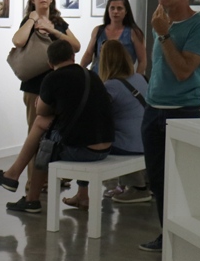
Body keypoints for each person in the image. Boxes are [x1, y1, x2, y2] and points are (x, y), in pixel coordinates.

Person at [0, 39, 114, 212]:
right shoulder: (91, 75)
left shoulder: (53, 78)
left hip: (83, 151)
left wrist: (41, 102)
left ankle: (27, 193)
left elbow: (41, 111)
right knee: (47, 132)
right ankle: (15, 178)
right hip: (106, 147)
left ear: (49, 62)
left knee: (44, 142)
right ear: (72, 56)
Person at [139, 0, 200, 252]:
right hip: (154, 109)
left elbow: (184, 70)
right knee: (158, 180)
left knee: (186, 182)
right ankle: (167, 234)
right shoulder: (163, 22)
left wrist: (164, 35)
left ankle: (187, 238)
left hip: (186, 112)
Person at [61, 40, 149, 209]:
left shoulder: (110, 86)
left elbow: (96, 118)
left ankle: (82, 194)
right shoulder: (140, 78)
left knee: (90, 144)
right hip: (146, 140)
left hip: (129, 145)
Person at [12, 0, 81, 188]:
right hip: (35, 87)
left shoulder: (58, 22)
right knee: (35, 134)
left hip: (59, 86)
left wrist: (53, 31)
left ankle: (50, 179)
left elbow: (76, 46)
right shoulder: (29, 20)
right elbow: (18, 41)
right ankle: (33, 182)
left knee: (55, 135)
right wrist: (33, 18)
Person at [80, 0, 147, 75]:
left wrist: (136, 81)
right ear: (108, 10)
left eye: (119, 8)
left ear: (126, 11)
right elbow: (88, 54)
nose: (115, 11)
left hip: (123, 80)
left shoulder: (134, 33)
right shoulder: (98, 30)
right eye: (112, 8)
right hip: (99, 79)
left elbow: (142, 61)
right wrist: (80, 71)